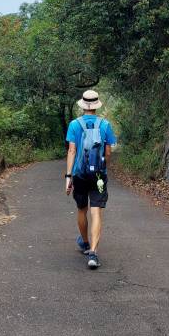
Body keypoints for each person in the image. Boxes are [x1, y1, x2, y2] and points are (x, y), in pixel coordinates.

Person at [64, 89, 117, 269]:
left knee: (81, 209)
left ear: (83, 105)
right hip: (99, 176)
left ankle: (85, 244)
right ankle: (93, 253)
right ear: (96, 106)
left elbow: (71, 150)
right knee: (96, 212)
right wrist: (102, 167)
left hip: (79, 175)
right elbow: (108, 152)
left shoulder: (74, 125)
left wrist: (68, 176)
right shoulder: (105, 125)